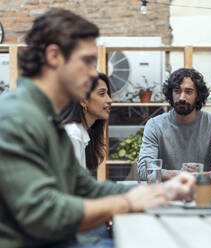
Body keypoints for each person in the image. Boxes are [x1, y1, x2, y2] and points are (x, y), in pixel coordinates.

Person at [0, 9, 195, 248]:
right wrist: (128, 203)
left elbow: (86, 187)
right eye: (86, 61)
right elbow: (43, 216)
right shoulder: (14, 117)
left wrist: (163, 190)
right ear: (54, 56)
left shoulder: (48, 119)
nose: (94, 73)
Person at [137, 68, 211, 181]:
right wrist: (179, 175)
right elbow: (144, 170)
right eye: (177, 91)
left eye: (188, 92)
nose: (182, 98)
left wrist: (200, 175)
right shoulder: (154, 125)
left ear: (198, 95)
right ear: (171, 94)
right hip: (167, 194)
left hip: (202, 193)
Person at [61, 72, 112, 172]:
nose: (109, 99)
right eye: (102, 94)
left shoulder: (80, 133)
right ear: (83, 101)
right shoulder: (72, 134)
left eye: (108, 94)